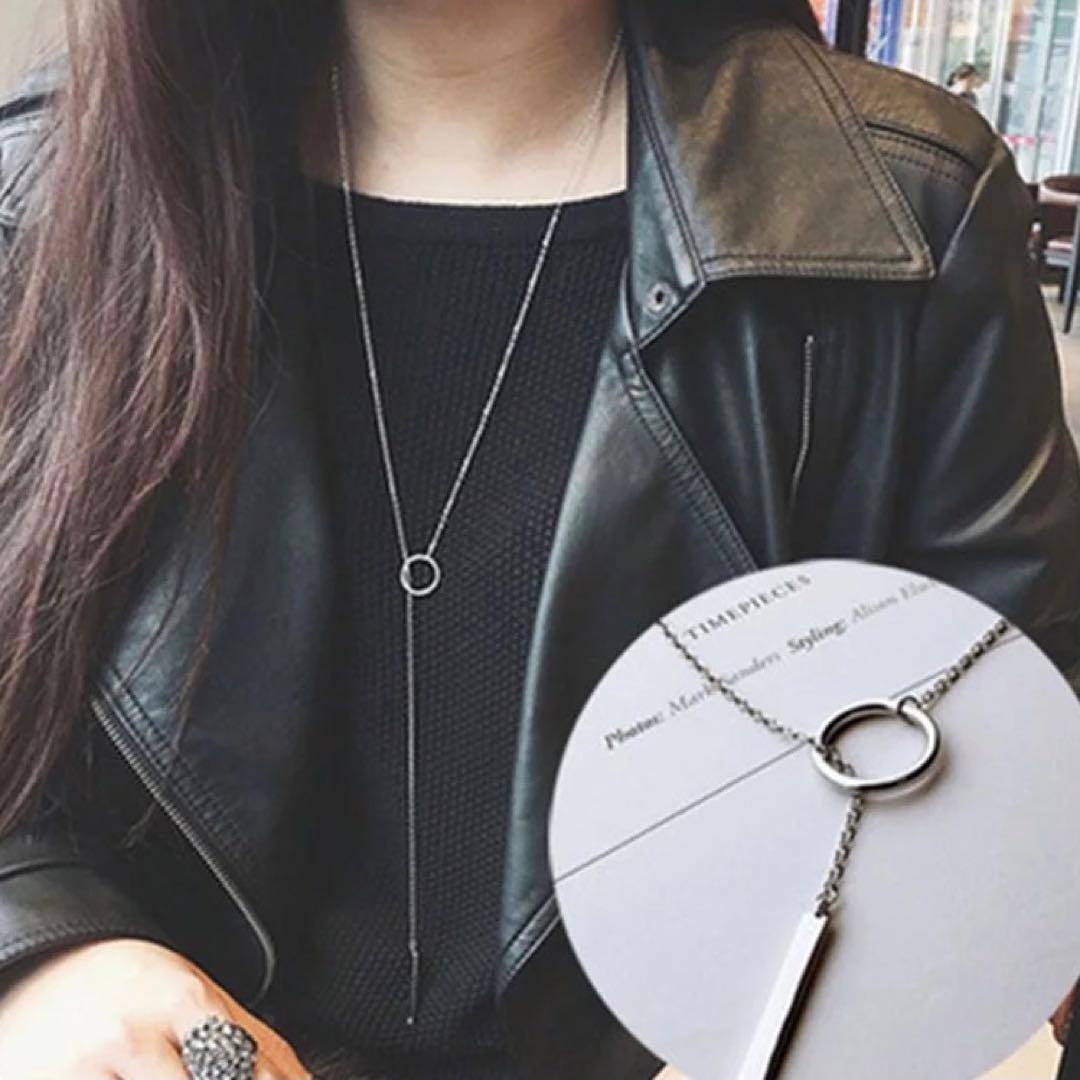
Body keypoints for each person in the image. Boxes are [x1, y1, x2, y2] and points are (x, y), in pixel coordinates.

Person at [0, 1, 1078, 1078]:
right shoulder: (38, 189)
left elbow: (999, 759)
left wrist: (799, 1040)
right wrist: (46, 950)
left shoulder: (904, 203)